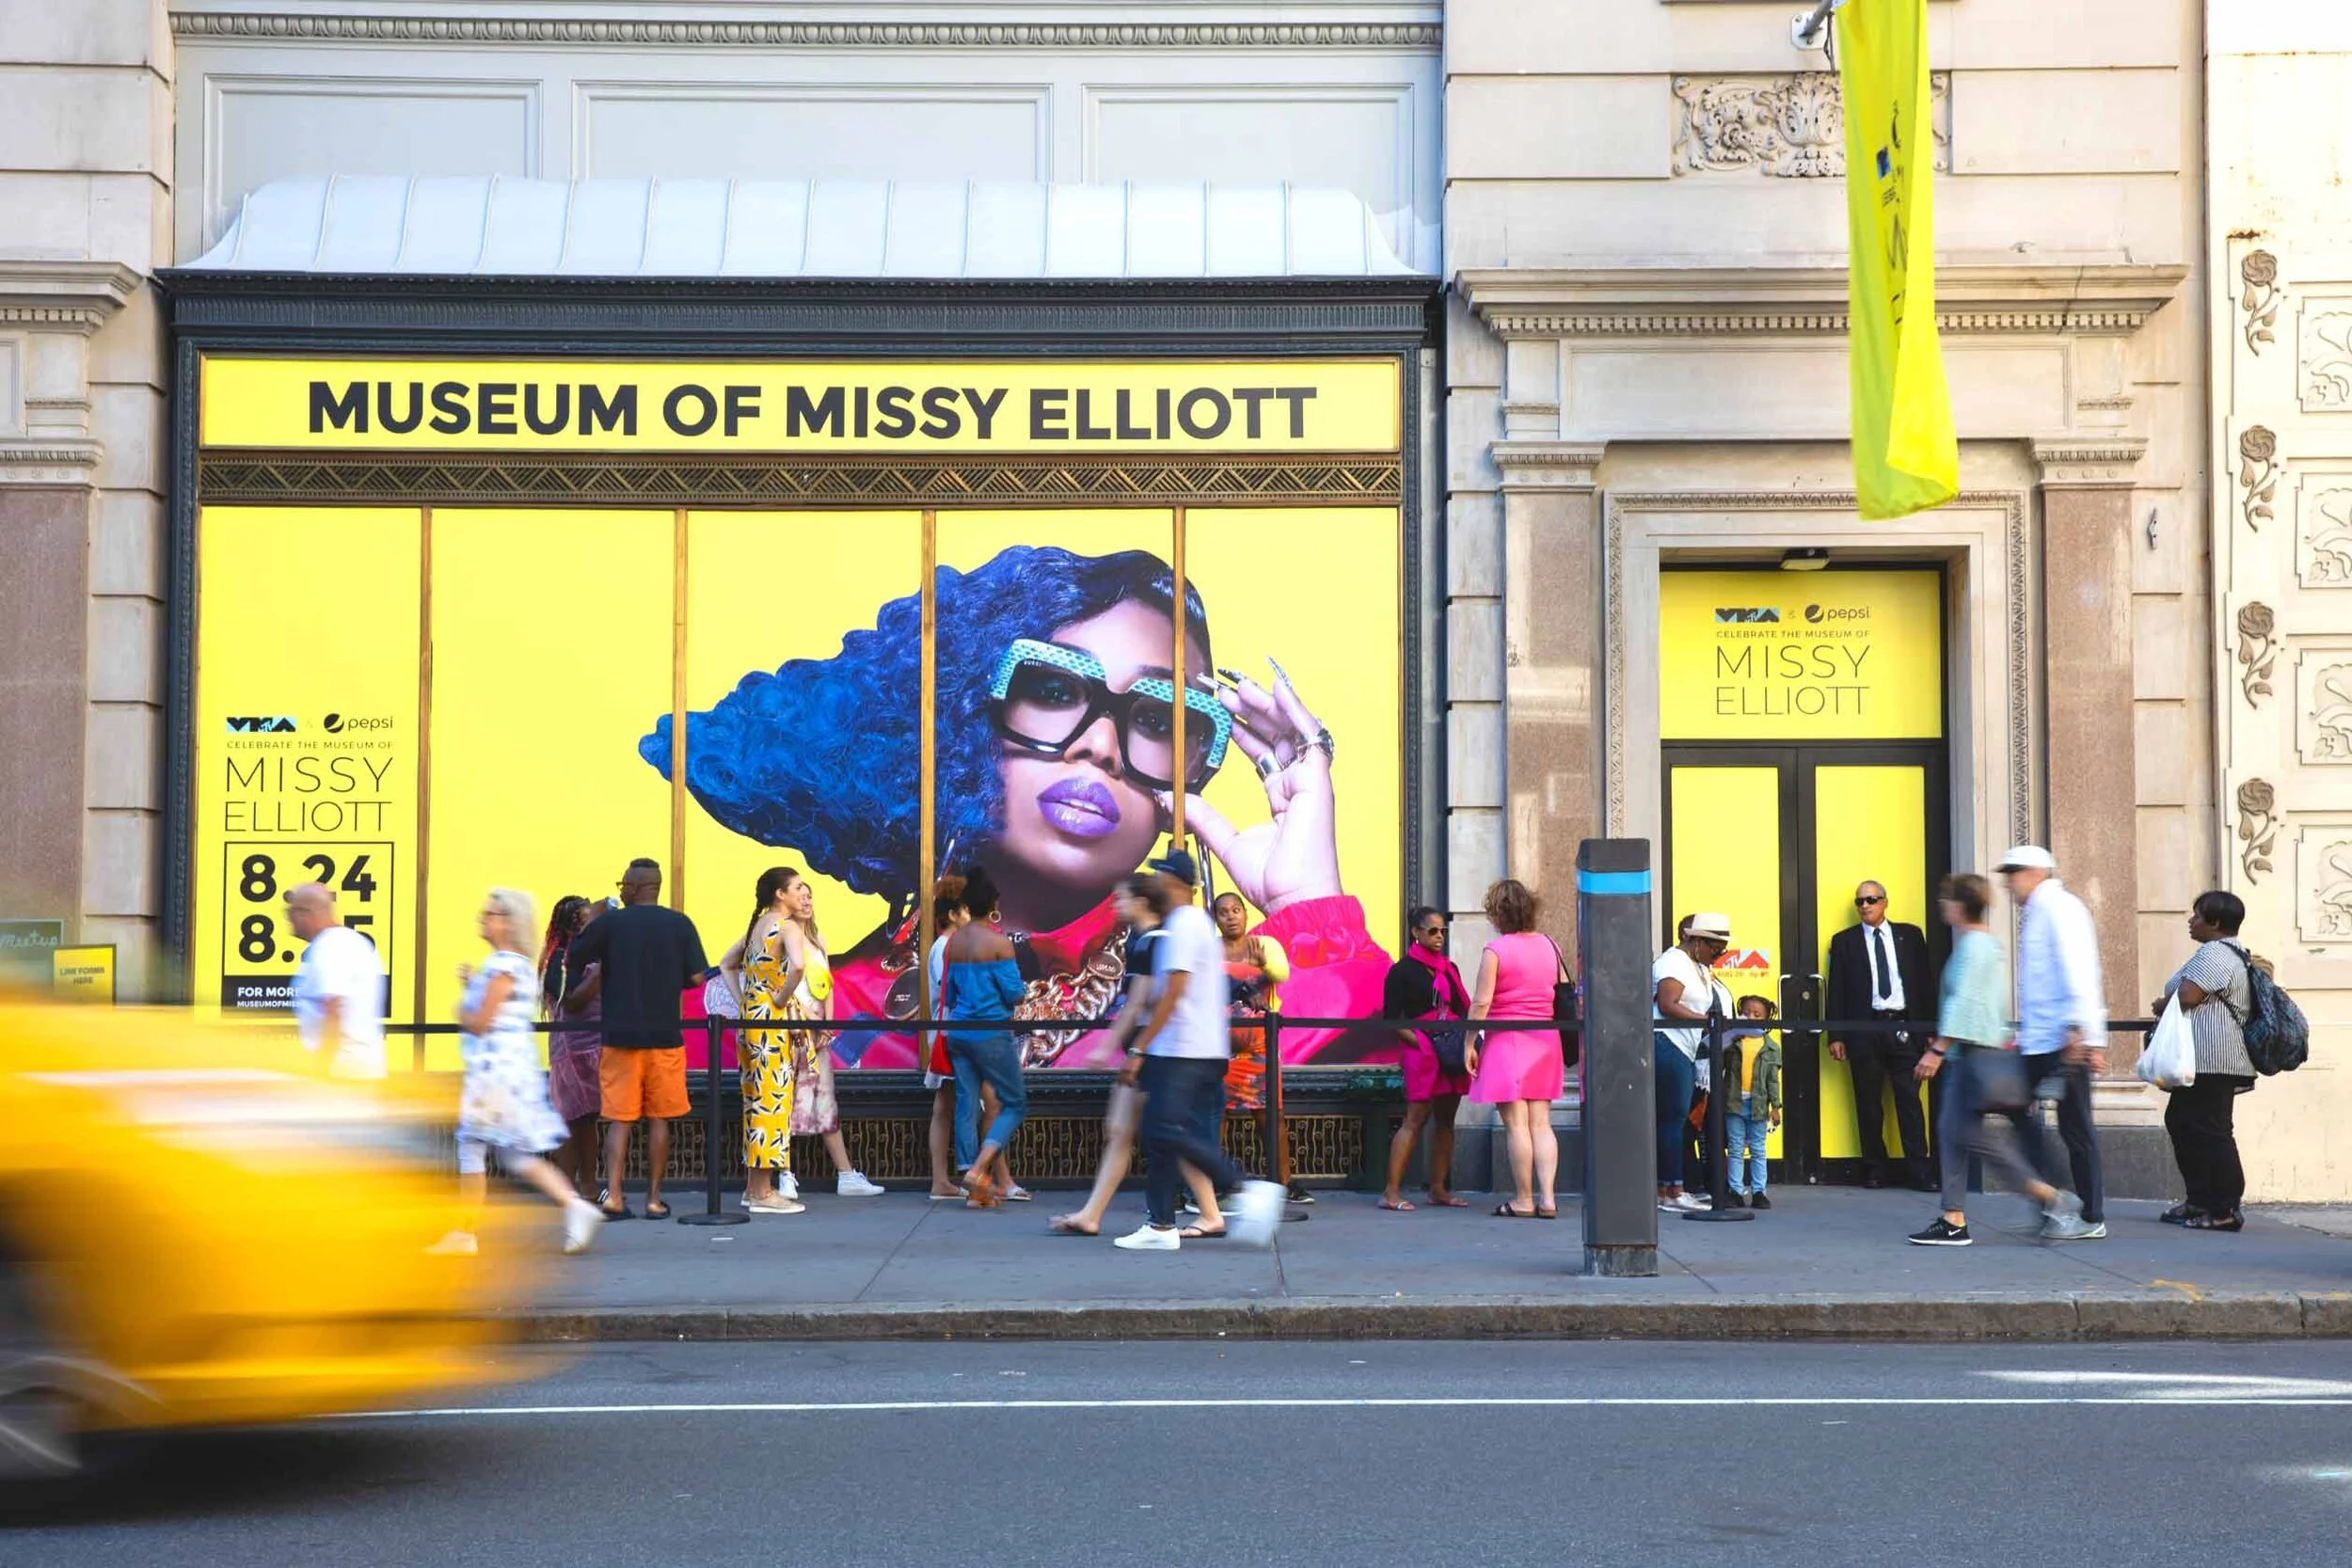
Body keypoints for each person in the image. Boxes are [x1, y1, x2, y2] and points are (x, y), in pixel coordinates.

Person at [649, 546, 1391, 1072]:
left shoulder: (1208, 1003)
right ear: (960, 715)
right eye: (1056, 689)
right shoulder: (834, 1005)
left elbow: (1370, 1052)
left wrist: (1306, 903)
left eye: (1160, 717)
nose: (1101, 746)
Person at [1112, 847, 1286, 1251]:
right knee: (1165, 1133)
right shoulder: (1191, 924)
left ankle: (1242, 1188)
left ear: (1174, 882)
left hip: (1184, 1051)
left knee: (1164, 1129)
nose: (1153, 881)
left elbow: (1173, 991)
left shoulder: (1184, 924)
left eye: (1159, 875)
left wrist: (1138, 1049)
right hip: (1198, 1050)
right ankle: (1160, 1226)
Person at [1909, 873, 2090, 1245]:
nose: (1942, 906)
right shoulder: (1985, 945)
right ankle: (1954, 1217)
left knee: (1965, 1136)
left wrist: (1937, 1050)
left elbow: (1967, 1002)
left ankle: (2049, 1197)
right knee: (1953, 1135)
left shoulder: (1973, 947)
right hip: (1978, 1055)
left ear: (1959, 906)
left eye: (1946, 899)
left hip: (1972, 1059)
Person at [425, 888, 603, 1258]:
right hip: (508, 1075)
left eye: (490, 913)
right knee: (514, 1155)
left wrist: (462, 1003)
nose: (483, 918)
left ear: (508, 922)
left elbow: (479, 1022)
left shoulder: (502, 965)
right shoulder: (515, 964)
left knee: (473, 1150)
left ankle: (465, 1233)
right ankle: (574, 1205)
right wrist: (473, 986)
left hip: (493, 1077)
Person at [564, 857, 712, 1221]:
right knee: (660, 1119)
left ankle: (613, 1196)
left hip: (619, 1037)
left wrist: (596, 919)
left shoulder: (611, 923)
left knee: (619, 1119)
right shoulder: (680, 924)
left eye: (623, 885)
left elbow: (574, 958)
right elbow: (696, 979)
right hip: (665, 1036)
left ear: (634, 887)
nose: (621, 891)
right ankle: (654, 1200)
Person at [1995, 845, 2107, 1240]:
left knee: (2076, 1127)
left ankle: (2091, 1216)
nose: (2008, 883)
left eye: (2013, 874)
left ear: (2035, 872)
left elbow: (2078, 971)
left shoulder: (2061, 908)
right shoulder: (2039, 911)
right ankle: (2054, 1199)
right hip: (2041, 1040)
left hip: (2063, 1041)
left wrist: (2084, 1033)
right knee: (2012, 1107)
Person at [2153, 890, 2261, 1232]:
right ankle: (2199, 1199)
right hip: (2204, 1059)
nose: (2191, 920)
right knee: (2183, 1121)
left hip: (2215, 1059)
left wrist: (2163, 1003)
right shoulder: (2224, 952)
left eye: (2197, 915)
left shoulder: (2217, 951)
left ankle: (2225, 1207)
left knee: (2212, 1131)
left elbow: (2188, 995)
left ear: (2215, 923)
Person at [1825, 879, 1938, 1191]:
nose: (1865, 906)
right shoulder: (1845, 941)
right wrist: (1836, 1035)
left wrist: (1929, 1030)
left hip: (1904, 1027)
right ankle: (1875, 1169)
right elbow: (1837, 990)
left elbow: (1924, 984)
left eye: (1871, 900)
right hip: (1865, 1029)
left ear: (1885, 902)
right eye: (1859, 901)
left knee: (1909, 1102)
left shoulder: (1911, 935)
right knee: (1868, 1102)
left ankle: (1920, 1171)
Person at [778, 875, 886, 1198]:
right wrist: (808, 1018)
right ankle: (783, 1172)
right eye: (802, 894)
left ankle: (846, 1174)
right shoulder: (780, 936)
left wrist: (827, 1023)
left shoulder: (818, 940)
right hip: (790, 1031)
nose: (807, 901)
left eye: (811, 896)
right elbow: (777, 986)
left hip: (816, 1035)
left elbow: (828, 985)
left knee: (825, 1099)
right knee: (783, 1100)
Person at [1464, 879, 1566, 1221]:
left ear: (1498, 914)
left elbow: (1481, 1003)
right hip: (1545, 1040)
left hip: (1506, 1040)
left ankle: (1524, 1198)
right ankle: (1549, 1198)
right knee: (1542, 1124)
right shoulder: (1551, 945)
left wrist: (1469, 1042)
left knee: (1517, 1126)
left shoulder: (1496, 950)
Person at [726, 867, 809, 1215]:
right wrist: (779, 1000)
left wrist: (746, 998)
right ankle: (762, 1192)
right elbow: (799, 967)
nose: (803, 893)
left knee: (754, 1101)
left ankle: (753, 1187)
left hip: (750, 1019)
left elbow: (726, 964)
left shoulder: (757, 926)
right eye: (797, 887)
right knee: (772, 1102)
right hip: (771, 1023)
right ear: (780, 894)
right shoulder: (787, 926)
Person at [943, 867, 1028, 1207]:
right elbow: (1014, 993)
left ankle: (971, 1184)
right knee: (1014, 1102)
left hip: (958, 1032)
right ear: (992, 904)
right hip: (991, 1033)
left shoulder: (956, 942)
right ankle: (978, 1170)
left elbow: (948, 995)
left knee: (966, 1102)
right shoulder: (998, 942)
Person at [1378, 905, 1471, 1212]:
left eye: (1443, 931)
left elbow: (1463, 1008)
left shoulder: (1451, 968)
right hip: (1422, 1052)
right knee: (1415, 1120)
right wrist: (1421, 1042)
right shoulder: (1401, 971)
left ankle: (1438, 1189)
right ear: (1416, 933)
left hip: (1451, 1049)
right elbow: (1392, 1020)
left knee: (1446, 1121)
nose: (1439, 937)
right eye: (1432, 931)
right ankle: (1391, 1192)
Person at [1653, 912, 1733, 1213]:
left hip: (1683, 1047)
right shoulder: (1673, 962)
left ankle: (1672, 1188)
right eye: (1715, 948)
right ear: (1696, 941)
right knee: (1673, 1119)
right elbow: (1667, 1004)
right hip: (1668, 1045)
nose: (1719, 954)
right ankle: (1671, 1190)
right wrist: (1706, 1021)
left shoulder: (1697, 966)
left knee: (1674, 1118)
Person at [537, 895, 604, 1200]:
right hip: (571, 1050)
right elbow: (571, 999)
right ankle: (575, 1189)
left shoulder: (582, 952)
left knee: (584, 1120)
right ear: (575, 922)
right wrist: (599, 971)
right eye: (587, 917)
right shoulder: (561, 957)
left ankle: (582, 1187)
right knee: (572, 1120)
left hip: (590, 1046)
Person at [283, 879, 386, 1081]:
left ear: (308, 913)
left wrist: (322, 1067)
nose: (289, 920)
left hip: (342, 1073)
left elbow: (333, 1007)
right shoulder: (349, 942)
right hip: (355, 1070)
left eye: (291, 912)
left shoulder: (330, 947)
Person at [1216, 891, 1289, 1114]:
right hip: (1217, 1050)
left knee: (1270, 1118)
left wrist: (1263, 964)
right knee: (1216, 1117)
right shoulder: (1208, 949)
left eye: (1236, 911)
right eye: (1223, 913)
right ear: (1215, 920)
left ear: (1246, 915)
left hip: (1260, 1050)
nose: (1231, 917)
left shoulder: (1264, 944)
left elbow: (1282, 974)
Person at [923, 874, 971, 1200]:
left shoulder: (950, 945)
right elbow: (953, 992)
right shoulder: (946, 947)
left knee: (946, 1104)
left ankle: (942, 1180)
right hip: (955, 1034)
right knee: (954, 1104)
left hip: (949, 1033)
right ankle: (946, 1178)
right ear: (953, 914)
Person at [1722, 994, 1782, 1210]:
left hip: (1758, 1105)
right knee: (1736, 1148)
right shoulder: (1732, 1041)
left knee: (1758, 1149)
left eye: (1757, 1015)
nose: (1750, 1017)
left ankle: (1759, 1192)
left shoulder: (1771, 1048)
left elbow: (1773, 1081)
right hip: (1733, 1103)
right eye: (1746, 1013)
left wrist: (1776, 1107)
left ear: (1766, 1020)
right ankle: (1735, 1191)